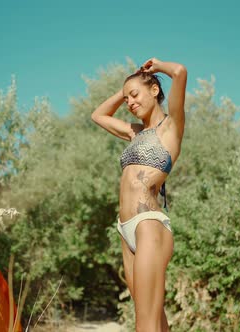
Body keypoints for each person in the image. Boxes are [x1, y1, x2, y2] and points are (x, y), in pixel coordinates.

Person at [91, 58, 187, 332]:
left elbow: (180, 72)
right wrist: (124, 93)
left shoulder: (171, 127)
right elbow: (98, 116)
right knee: (153, 319)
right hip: (125, 230)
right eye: (127, 99)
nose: (130, 103)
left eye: (135, 95)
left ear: (154, 90)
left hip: (149, 226)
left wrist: (155, 67)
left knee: (144, 323)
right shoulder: (134, 133)